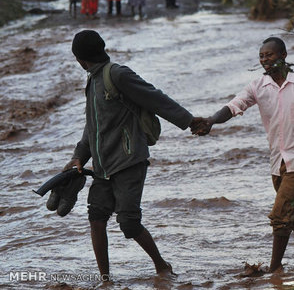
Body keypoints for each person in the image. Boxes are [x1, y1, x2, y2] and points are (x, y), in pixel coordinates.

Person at [195, 37, 294, 273]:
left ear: (283, 55)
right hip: (276, 162)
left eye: (269, 55)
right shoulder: (258, 86)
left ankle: (274, 270)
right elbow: (234, 105)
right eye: (261, 56)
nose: (264, 60)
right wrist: (211, 121)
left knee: (280, 215)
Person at [63, 30, 208, 278]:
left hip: (129, 161)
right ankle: (105, 279)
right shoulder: (92, 82)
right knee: (96, 219)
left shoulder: (117, 74)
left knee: (129, 223)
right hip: (102, 167)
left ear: (80, 59)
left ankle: (162, 266)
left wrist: (189, 120)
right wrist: (79, 156)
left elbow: (154, 98)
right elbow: (92, 126)